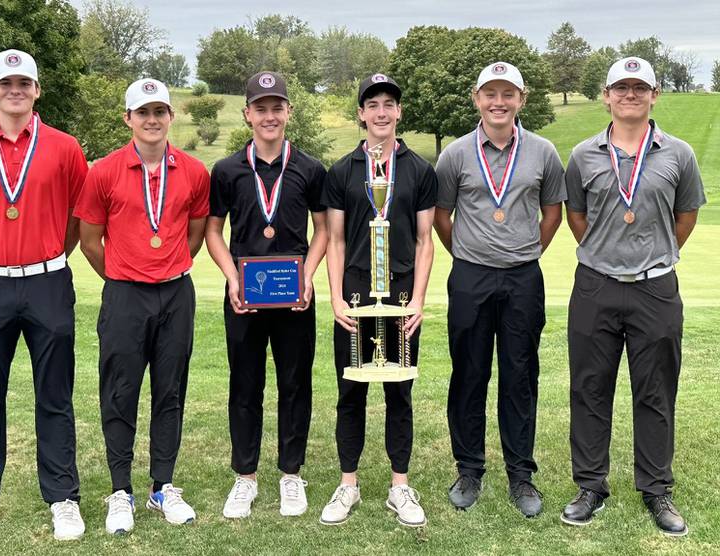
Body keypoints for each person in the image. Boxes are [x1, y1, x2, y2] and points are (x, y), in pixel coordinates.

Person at [0, 49, 88, 547]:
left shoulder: (66, 148)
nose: (15, 90)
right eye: (6, 83)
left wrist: (46, 257)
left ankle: (63, 498)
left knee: (54, 395)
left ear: (37, 89)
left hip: (48, 282)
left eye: (24, 82)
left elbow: (75, 219)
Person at [560, 57, 704, 536]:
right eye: (621, 87)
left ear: (654, 96)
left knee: (656, 391)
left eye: (639, 88)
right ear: (606, 96)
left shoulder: (678, 154)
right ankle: (590, 486)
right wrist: (608, 253)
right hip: (596, 285)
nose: (629, 95)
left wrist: (651, 256)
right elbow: (577, 218)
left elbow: (685, 218)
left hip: (656, 287)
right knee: (589, 388)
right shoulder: (583, 154)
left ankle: (657, 488)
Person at [75, 78, 210, 534]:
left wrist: (168, 265)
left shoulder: (193, 171)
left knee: (169, 390)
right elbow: (90, 241)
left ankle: (162, 487)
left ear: (171, 117)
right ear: (128, 119)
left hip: (176, 292)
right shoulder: (105, 171)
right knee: (120, 391)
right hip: (124, 295)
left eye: (160, 112)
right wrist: (121, 275)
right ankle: (120, 491)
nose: (152, 121)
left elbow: (194, 234)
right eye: (143, 113)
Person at [434, 62, 566, 517]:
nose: (499, 102)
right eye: (490, 93)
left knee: (520, 375)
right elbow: (441, 216)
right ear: (476, 98)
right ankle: (469, 469)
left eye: (508, 94)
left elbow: (553, 213)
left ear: (521, 100)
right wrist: (469, 256)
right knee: (469, 374)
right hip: (469, 276)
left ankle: (521, 475)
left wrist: (526, 253)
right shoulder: (454, 154)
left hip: (523, 277)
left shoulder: (544, 152)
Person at [205, 72, 327, 519]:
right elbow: (213, 232)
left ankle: (292, 475)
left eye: (278, 107)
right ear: (247, 115)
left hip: (295, 297)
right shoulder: (227, 170)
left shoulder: (311, 169)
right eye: (261, 108)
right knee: (245, 385)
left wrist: (309, 275)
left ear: (288, 112)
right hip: (244, 297)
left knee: (295, 385)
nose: (270, 116)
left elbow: (324, 230)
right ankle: (246, 478)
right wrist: (231, 277)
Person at [320, 73, 437, 528]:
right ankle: (347, 485)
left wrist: (419, 301)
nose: (382, 112)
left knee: (399, 394)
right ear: (361, 115)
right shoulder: (342, 170)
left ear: (399, 112)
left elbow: (426, 240)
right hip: (355, 295)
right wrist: (336, 299)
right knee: (349, 393)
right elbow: (333, 240)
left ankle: (399, 487)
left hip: (402, 296)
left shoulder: (420, 170)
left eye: (389, 104)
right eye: (374, 105)